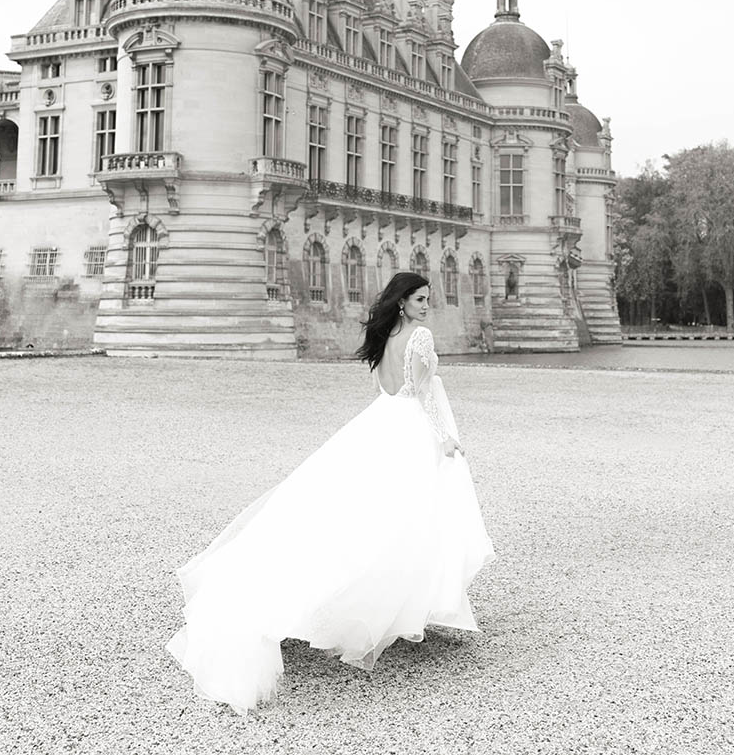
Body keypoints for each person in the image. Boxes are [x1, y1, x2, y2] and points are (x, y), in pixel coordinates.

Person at [166, 272, 495, 715]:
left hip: (379, 422)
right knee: (408, 520)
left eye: (427, 299)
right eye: (419, 299)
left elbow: (385, 387)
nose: (425, 305)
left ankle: (377, 605)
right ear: (402, 302)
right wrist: (444, 438)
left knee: (357, 515)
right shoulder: (419, 336)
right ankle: (391, 607)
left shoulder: (385, 335)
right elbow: (421, 395)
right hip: (412, 429)